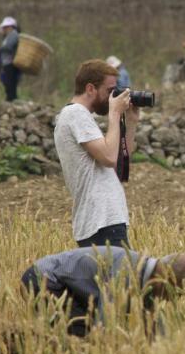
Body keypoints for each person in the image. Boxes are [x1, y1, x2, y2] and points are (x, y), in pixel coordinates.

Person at [54, 60, 140, 248]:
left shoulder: (81, 116)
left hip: (104, 220)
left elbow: (120, 160)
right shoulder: (75, 114)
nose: (113, 96)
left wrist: (131, 121)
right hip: (101, 222)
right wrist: (115, 114)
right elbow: (109, 158)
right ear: (91, 88)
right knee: (119, 278)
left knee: (118, 278)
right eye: (110, 91)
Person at [21, 246, 185, 337]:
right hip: (43, 279)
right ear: (166, 277)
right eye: (175, 292)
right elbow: (105, 326)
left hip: (64, 285)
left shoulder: (146, 278)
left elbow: (152, 321)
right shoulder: (127, 274)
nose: (171, 299)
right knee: (79, 337)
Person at [0, 16, 22, 102]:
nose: (4, 29)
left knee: (11, 84)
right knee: (7, 84)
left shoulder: (13, 34)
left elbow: (8, 48)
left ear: (11, 27)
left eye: (5, 27)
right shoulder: (7, 36)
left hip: (11, 63)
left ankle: (12, 101)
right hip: (6, 63)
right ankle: (10, 100)